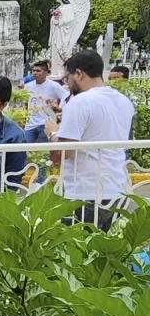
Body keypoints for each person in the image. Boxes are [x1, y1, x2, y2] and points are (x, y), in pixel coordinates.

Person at [44, 50, 134, 232]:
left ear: (79, 73)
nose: (66, 84)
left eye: (66, 78)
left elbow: (62, 154)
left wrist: (53, 133)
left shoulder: (79, 102)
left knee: (77, 255)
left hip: (84, 192)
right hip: (116, 189)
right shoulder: (124, 101)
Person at [24, 61, 67, 145]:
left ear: (46, 73)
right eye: (33, 71)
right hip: (30, 124)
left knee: (45, 150)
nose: (35, 73)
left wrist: (59, 107)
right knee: (25, 149)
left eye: (38, 71)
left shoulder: (53, 86)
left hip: (46, 123)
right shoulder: (28, 86)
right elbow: (26, 102)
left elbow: (66, 96)